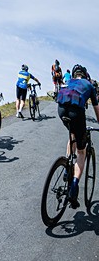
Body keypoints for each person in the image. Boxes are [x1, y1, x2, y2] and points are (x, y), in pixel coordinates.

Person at [55, 64, 99, 208]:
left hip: (61, 110)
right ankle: (74, 188)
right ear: (86, 75)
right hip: (76, 112)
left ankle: (67, 165)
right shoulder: (90, 85)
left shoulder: (69, 82)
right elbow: (97, 111)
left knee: (72, 134)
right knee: (81, 151)